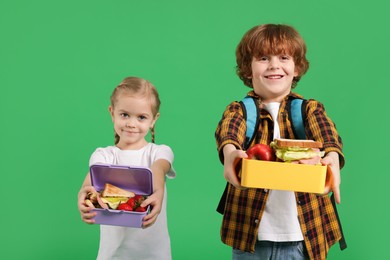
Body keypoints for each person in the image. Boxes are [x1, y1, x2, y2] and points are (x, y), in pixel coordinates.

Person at [215, 24, 345, 260]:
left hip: (305, 237)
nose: (274, 65)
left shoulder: (309, 110)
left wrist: (332, 157)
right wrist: (230, 152)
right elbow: (229, 130)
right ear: (248, 69)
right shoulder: (241, 110)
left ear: (296, 68)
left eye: (283, 57)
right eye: (263, 58)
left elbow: (327, 133)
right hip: (250, 239)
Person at [77, 76, 176, 260]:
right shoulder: (104, 155)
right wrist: (85, 195)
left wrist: (158, 190)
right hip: (114, 255)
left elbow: (158, 168)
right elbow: (90, 181)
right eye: (124, 115)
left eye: (141, 117)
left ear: (154, 120)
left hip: (155, 255)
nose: (131, 123)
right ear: (111, 113)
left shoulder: (160, 152)